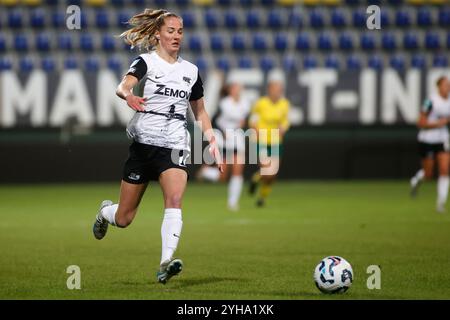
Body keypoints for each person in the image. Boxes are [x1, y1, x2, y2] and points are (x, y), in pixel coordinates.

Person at [92, 9, 223, 285]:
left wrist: (212, 139)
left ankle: (165, 262)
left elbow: (200, 112)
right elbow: (123, 86)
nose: (176, 36)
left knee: (174, 201)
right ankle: (105, 213)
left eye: (180, 31)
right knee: (124, 218)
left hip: (175, 144)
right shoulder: (146, 62)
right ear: (157, 35)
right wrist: (128, 96)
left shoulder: (191, 72)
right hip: (143, 144)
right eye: (171, 31)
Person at [196, 78, 251, 211]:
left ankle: (233, 203)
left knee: (238, 171)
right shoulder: (224, 104)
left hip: (238, 139)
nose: (238, 90)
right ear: (231, 90)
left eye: (239, 87)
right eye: (236, 87)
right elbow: (214, 121)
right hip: (225, 140)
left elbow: (245, 119)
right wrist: (222, 132)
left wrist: (245, 124)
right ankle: (205, 172)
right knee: (223, 176)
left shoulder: (245, 103)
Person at [248, 69, 290, 207]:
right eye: (276, 89)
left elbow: (285, 121)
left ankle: (261, 197)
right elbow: (253, 120)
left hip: (276, 141)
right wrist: (256, 130)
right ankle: (256, 179)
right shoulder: (261, 103)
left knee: (273, 175)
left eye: (280, 89)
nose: (278, 92)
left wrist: (284, 127)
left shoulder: (284, 104)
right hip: (262, 140)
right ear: (269, 89)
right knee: (267, 170)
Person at [410, 76, 450, 212]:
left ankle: (441, 203)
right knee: (429, 173)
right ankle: (417, 179)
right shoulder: (430, 101)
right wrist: (438, 124)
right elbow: (420, 122)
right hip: (427, 139)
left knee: (444, 169)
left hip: (443, 139)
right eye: (445, 85)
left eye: (448, 85)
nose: (448, 87)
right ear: (438, 86)